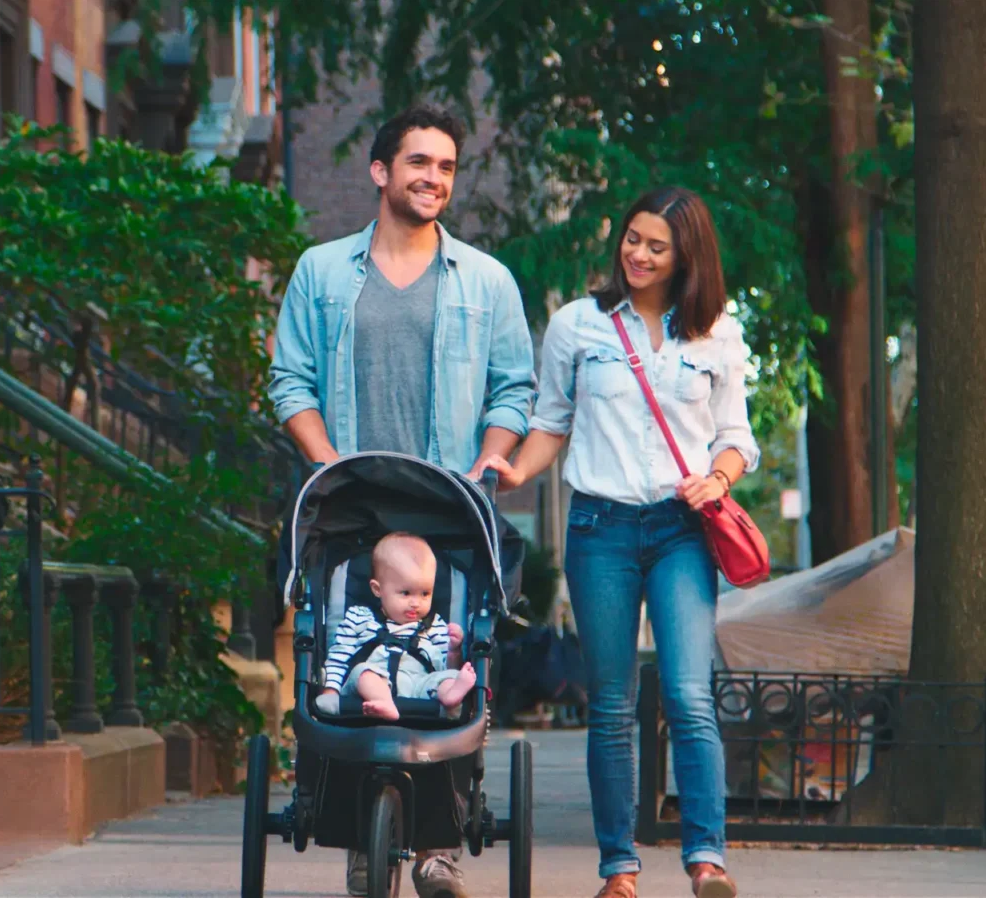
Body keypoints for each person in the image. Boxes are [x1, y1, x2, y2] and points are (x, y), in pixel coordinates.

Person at [269, 103, 536, 898]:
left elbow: (513, 389)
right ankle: (353, 821)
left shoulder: (486, 281)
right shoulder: (321, 271)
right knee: (340, 646)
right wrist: (328, 467)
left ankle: (440, 843)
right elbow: (290, 380)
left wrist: (492, 456)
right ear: (382, 172)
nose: (435, 179)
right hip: (352, 506)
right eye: (420, 162)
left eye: (448, 166)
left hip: (449, 503)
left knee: (455, 658)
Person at [478, 187, 754, 898]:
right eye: (632, 239)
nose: (637, 254)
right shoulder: (580, 325)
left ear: (685, 256)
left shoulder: (716, 334)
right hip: (600, 528)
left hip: (682, 532)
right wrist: (515, 470)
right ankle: (618, 870)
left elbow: (735, 439)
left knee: (690, 696)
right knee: (610, 702)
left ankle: (706, 860)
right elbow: (551, 423)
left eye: (656, 246)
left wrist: (717, 482)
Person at [315, 533, 478, 721]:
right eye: (406, 593)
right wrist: (330, 691)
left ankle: (451, 697)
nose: (416, 603)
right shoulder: (359, 617)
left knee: (446, 677)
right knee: (363, 673)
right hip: (374, 683)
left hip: (420, 685)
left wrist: (454, 651)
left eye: (425, 593)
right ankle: (385, 703)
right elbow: (339, 658)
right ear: (377, 589)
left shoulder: (435, 624)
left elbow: (444, 666)